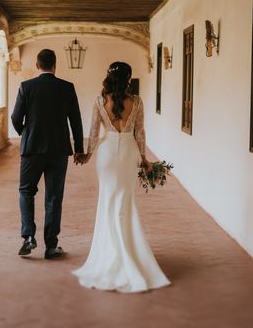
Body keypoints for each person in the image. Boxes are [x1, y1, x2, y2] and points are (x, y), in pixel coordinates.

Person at [73, 62, 170, 292]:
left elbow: (95, 132)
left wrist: (88, 154)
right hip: (128, 153)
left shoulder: (99, 101)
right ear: (128, 78)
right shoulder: (136, 102)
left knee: (107, 200)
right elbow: (140, 132)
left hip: (106, 156)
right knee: (125, 201)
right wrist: (145, 159)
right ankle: (128, 252)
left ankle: (108, 254)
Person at [11, 49, 85, 259]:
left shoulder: (26, 87)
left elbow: (16, 118)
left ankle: (28, 237)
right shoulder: (67, 87)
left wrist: (25, 133)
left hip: (32, 150)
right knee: (54, 197)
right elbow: (76, 121)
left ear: (37, 65)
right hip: (59, 150)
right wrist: (78, 149)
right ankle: (51, 246)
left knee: (26, 191)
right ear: (55, 65)